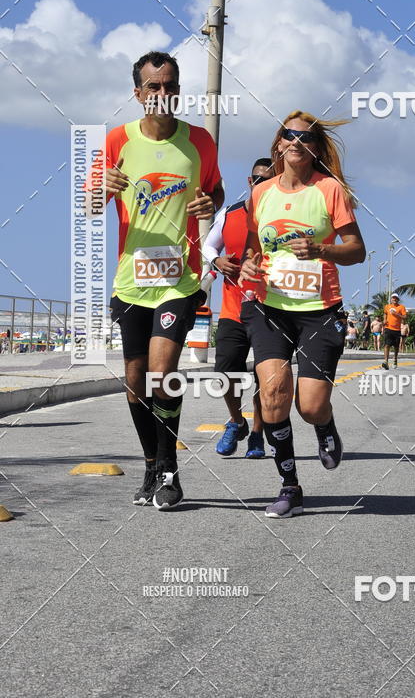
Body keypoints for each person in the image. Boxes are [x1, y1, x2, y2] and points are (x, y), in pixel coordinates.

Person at [101, 51, 224, 510]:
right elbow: (93, 202)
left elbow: (216, 188)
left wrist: (209, 204)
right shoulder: (118, 140)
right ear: (138, 94)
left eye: (169, 85)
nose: (162, 94)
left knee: (161, 373)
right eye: (153, 87)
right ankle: (151, 463)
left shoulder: (200, 141)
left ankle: (170, 471)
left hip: (180, 277)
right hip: (131, 279)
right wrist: (101, 190)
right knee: (135, 380)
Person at [239, 111, 366, 519]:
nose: (296, 142)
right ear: (278, 143)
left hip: (319, 310)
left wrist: (322, 250)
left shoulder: (330, 190)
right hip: (268, 307)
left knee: (309, 406)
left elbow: (357, 250)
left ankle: (324, 428)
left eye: (306, 138)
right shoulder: (260, 194)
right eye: (289, 135)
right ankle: (290, 485)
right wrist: (246, 266)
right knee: (273, 397)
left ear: (315, 149)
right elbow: (252, 250)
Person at [202, 159, 274, 459]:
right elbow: (208, 246)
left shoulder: (281, 219)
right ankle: (236, 421)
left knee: (263, 378)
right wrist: (216, 261)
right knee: (224, 373)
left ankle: (257, 434)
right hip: (233, 309)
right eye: (258, 180)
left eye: (269, 181)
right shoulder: (230, 213)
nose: (262, 185)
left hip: (269, 311)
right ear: (249, 180)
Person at [381, 293, 406, 369]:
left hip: (397, 330)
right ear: (391, 299)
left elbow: (404, 317)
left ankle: (395, 359)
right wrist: (384, 320)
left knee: (396, 347)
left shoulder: (401, 307)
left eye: (395, 298)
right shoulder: (387, 306)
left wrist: (397, 314)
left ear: (398, 299)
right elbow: (385, 314)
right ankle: (386, 361)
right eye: (393, 298)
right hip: (388, 328)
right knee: (387, 345)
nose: (394, 299)